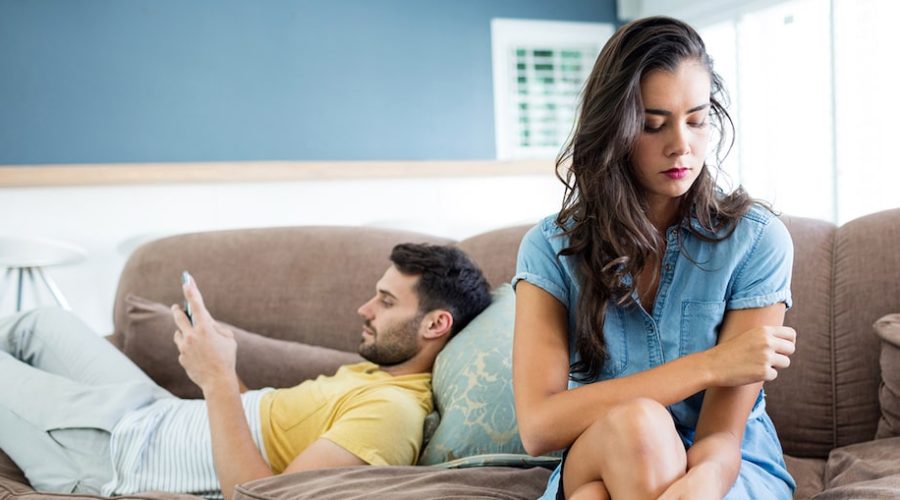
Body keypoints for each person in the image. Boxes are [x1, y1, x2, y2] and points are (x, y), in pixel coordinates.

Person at [512, 16, 797, 500]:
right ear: (614, 128)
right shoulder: (550, 247)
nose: (681, 145)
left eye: (697, 119)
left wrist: (693, 489)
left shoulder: (757, 241)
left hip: (726, 466)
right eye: (652, 124)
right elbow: (539, 427)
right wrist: (711, 365)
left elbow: (722, 438)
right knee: (640, 426)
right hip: (611, 447)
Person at [0, 243, 492, 500]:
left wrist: (215, 382)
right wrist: (223, 365)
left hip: (111, 456)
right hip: (154, 414)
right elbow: (262, 434)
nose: (365, 308)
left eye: (385, 302)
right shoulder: (377, 374)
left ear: (436, 324)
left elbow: (256, 495)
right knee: (42, 322)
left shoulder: (391, 415)